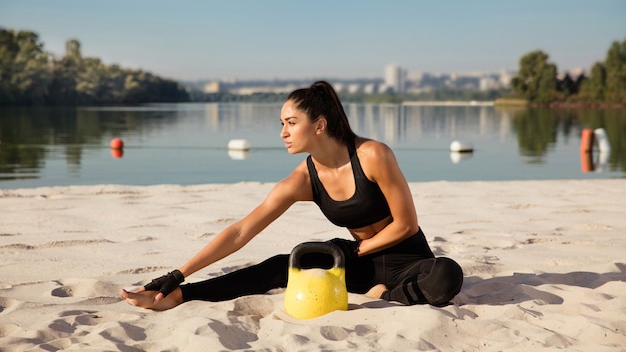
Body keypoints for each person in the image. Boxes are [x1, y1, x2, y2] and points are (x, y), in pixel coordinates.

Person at [120, 81, 463, 311]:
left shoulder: (373, 155)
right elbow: (241, 232)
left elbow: (405, 225)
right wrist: (178, 276)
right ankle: (179, 298)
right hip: (356, 261)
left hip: (409, 262)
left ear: (319, 125)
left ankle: (385, 295)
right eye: (281, 123)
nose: (283, 132)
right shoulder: (301, 179)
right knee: (277, 266)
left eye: (290, 122)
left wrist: (355, 252)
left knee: (447, 274)